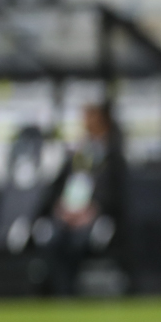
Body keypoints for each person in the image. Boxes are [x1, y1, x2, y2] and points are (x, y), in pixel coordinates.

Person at [40, 104, 124, 295]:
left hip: (91, 218)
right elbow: (59, 187)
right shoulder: (78, 154)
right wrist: (61, 209)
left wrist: (91, 211)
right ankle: (61, 291)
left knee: (77, 242)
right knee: (53, 240)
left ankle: (75, 290)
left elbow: (112, 195)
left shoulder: (111, 156)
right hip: (67, 215)